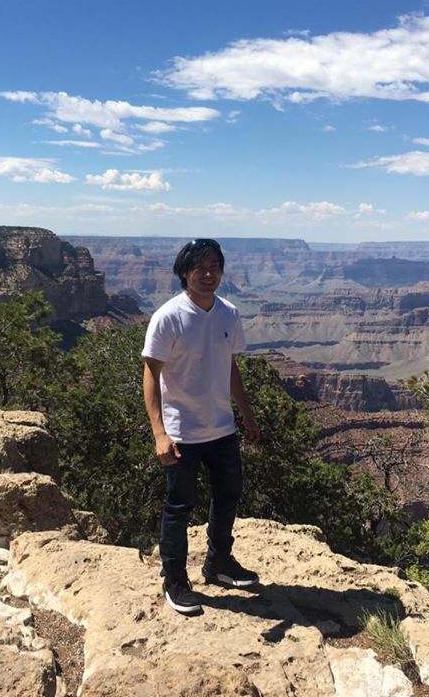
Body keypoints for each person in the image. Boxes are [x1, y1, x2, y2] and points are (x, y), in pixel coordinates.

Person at [142, 238, 260, 614]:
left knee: (228, 496)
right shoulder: (168, 316)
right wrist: (159, 433)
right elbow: (151, 373)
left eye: (214, 267)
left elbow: (230, 367)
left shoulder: (229, 313)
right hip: (182, 432)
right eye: (200, 268)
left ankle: (218, 562)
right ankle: (175, 579)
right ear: (184, 273)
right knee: (179, 505)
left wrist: (246, 414)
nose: (208, 274)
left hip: (222, 428)